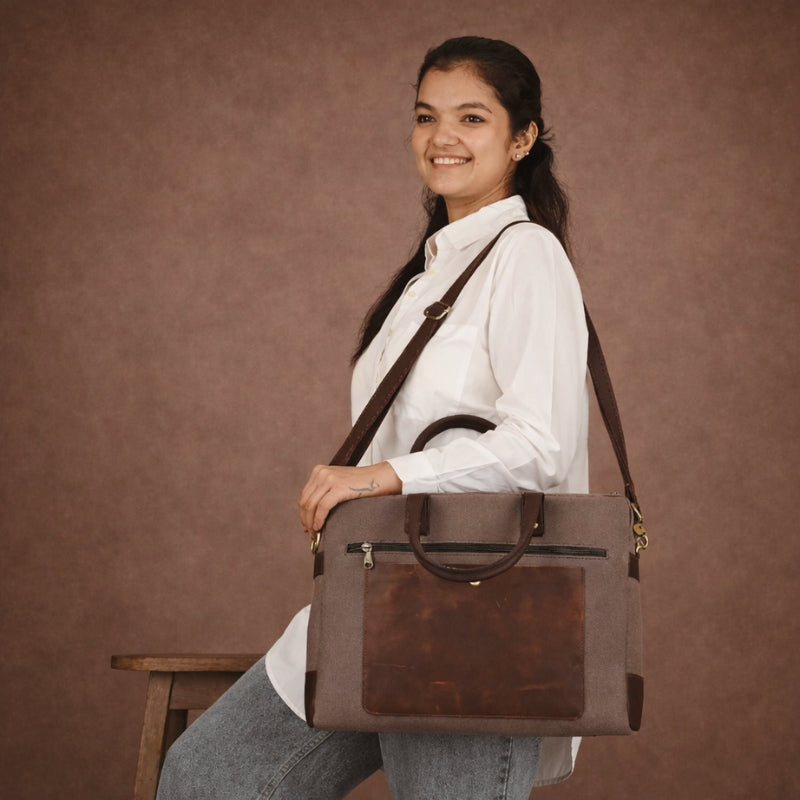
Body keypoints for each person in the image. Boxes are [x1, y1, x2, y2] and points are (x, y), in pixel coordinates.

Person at [157, 35, 588, 800]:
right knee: (208, 776)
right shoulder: (433, 271)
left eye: (472, 118)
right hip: (380, 597)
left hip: (478, 611)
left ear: (522, 138)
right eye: (426, 117)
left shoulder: (526, 257)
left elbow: (541, 447)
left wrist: (384, 476)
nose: (442, 138)